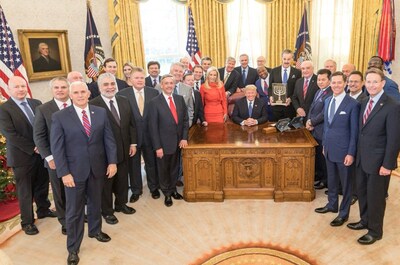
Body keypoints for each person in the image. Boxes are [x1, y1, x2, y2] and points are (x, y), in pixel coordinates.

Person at [50, 81, 117, 265]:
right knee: (74, 212)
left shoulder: (100, 112)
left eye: (83, 92)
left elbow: (109, 139)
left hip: (97, 168)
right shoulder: (60, 117)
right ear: (70, 95)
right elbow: (57, 148)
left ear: (88, 93)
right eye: (76, 92)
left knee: (96, 202)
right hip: (73, 173)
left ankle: (95, 230)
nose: (80, 95)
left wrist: (112, 162)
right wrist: (64, 173)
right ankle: (73, 248)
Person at [347, 68, 400, 245]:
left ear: (382, 83)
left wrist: (388, 165)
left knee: (376, 197)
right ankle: (365, 220)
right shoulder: (363, 101)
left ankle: (375, 231)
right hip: (362, 159)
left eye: (375, 82)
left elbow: (394, 139)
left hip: (379, 163)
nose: (371, 85)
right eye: (368, 81)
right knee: (362, 192)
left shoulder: (392, 106)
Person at [0, 76, 55, 236]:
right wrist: (34, 147)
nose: (21, 89)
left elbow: (44, 126)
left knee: (42, 183)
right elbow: (10, 134)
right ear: (9, 89)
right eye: (16, 87)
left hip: (41, 154)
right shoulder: (4, 109)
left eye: (23, 86)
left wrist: (43, 147)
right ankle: (27, 222)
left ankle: (43, 210)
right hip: (22, 156)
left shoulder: (36, 103)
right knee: (25, 191)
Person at [90, 73, 137, 225]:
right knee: (106, 184)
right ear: (99, 87)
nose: (110, 87)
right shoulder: (93, 105)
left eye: (112, 84)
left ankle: (121, 204)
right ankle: (107, 211)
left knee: (123, 179)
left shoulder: (124, 101)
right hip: (104, 154)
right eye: (106, 85)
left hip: (124, 149)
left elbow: (131, 124)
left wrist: (133, 143)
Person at [315, 72, 360, 228]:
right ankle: (332, 204)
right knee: (332, 181)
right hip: (328, 149)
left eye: (339, 83)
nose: (336, 85)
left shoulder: (352, 104)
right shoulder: (327, 101)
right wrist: (325, 145)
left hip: (344, 152)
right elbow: (327, 126)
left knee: (346, 185)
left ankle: (343, 213)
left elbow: (354, 132)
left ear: (345, 83)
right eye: (333, 83)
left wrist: (351, 153)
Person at [33, 77, 71, 235]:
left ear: (68, 89)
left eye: (63, 87)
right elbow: (39, 136)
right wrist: (49, 158)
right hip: (55, 159)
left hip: (77, 157)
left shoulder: (77, 104)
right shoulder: (43, 109)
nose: (60, 90)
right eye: (57, 87)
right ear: (52, 90)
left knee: (77, 188)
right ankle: (64, 220)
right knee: (60, 191)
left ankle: (78, 214)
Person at [118, 67, 160, 203]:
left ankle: (153, 187)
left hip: (150, 136)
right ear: (130, 80)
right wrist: (131, 141)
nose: (140, 80)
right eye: (136, 78)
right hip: (132, 138)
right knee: (134, 165)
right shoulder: (123, 94)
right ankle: (136, 190)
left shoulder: (153, 93)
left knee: (151, 163)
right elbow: (123, 118)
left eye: (142, 77)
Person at [148, 74, 189, 207]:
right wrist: (157, 147)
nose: (169, 86)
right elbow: (153, 127)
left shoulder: (179, 99)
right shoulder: (154, 102)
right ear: (161, 85)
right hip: (163, 144)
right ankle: (166, 193)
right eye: (166, 83)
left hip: (178, 142)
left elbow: (185, 120)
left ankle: (173, 190)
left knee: (175, 168)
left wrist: (183, 137)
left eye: (171, 83)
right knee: (164, 170)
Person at [306, 69, 333, 190]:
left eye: (323, 80)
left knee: (323, 158)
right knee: (318, 157)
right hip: (314, 129)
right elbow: (312, 108)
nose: (320, 82)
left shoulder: (331, 93)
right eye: (319, 79)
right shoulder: (318, 91)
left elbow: (324, 113)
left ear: (329, 80)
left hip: (322, 130)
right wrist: (308, 121)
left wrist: (312, 122)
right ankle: (320, 177)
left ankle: (326, 181)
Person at [347, 70, 368, 205]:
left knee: (355, 168)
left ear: (362, 83)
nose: (353, 84)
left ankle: (355, 193)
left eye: (356, 81)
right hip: (344, 138)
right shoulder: (344, 97)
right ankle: (346, 189)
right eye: (350, 81)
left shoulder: (365, 100)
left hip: (357, 140)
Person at [268, 49, 302, 121]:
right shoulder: (274, 71)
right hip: (276, 107)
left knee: (289, 130)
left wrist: (290, 99)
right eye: (284, 59)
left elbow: (297, 90)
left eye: (289, 59)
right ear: (281, 58)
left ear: (292, 59)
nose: (286, 61)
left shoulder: (297, 72)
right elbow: (270, 87)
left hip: (290, 107)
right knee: (275, 129)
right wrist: (270, 96)